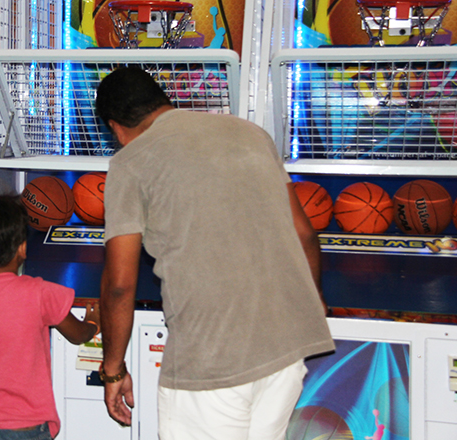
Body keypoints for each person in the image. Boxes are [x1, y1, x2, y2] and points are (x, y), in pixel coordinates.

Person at [95, 67, 335, 440]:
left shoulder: (130, 163)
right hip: (286, 347)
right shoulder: (250, 133)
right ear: (163, 101)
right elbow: (303, 233)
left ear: (115, 127)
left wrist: (113, 370)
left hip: (210, 357)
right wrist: (313, 298)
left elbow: (119, 285)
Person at [0, 194, 100, 440]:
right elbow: (77, 334)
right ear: (22, 248)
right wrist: (93, 323)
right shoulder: (40, 292)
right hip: (24, 426)